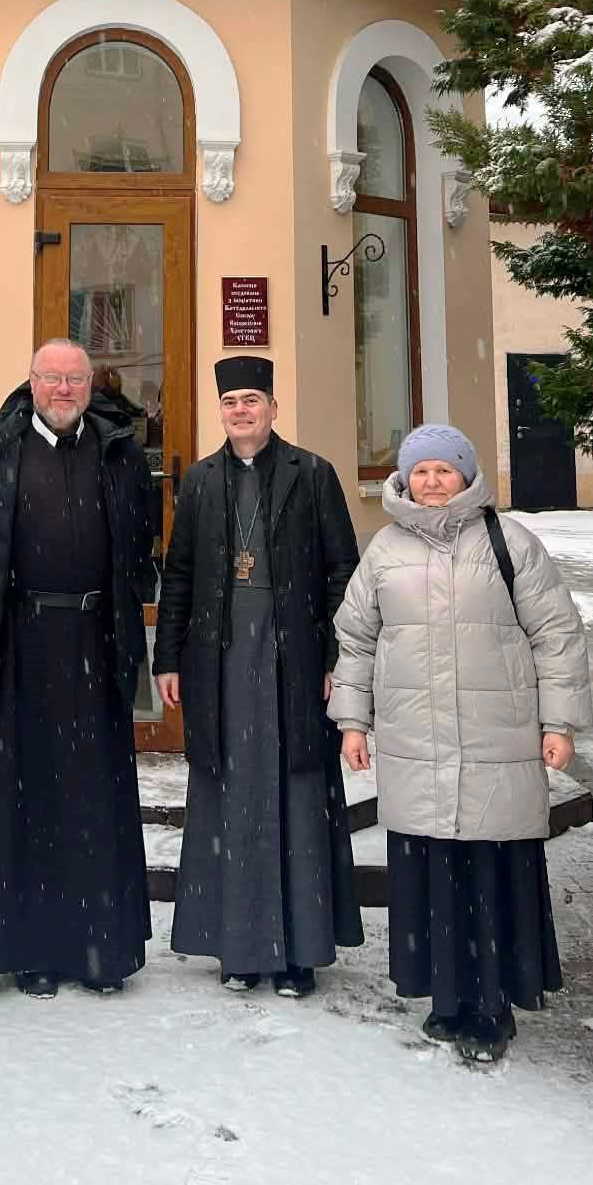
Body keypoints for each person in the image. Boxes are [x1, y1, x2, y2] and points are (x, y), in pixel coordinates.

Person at [329, 422, 593, 1064]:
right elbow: (356, 641)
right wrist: (353, 721)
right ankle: (446, 1000)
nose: (432, 481)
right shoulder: (384, 550)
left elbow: (556, 634)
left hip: (495, 743)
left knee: (489, 873)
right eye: (420, 471)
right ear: (405, 478)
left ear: (466, 475)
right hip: (416, 744)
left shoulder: (511, 543)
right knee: (433, 875)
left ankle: (491, 1006)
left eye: (444, 469)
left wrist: (558, 724)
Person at [0, 338, 160, 997]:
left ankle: (101, 949)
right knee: (29, 799)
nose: (64, 390)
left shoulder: (121, 453)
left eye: (75, 379)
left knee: (97, 796)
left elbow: (142, 543)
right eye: (52, 378)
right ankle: (35, 949)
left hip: (98, 641)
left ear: (91, 385)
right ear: (32, 382)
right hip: (23, 643)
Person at [153, 357, 363, 997]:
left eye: (251, 400)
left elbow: (342, 571)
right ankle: (238, 948)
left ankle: (299, 952)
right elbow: (180, 573)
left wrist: (336, 658)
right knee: (230, 800)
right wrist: (167, 657)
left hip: (293, 660)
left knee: (295, 801)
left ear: (273, 407)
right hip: (220, 664)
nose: (241, 411)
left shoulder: (313, 474)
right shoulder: (201, 480)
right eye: (231, 402)